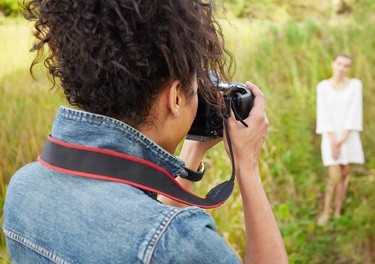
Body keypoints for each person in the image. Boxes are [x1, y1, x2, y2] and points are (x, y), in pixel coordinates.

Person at [2, 1, 288, 263]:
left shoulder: (24, 188)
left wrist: (194, 149)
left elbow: (133, 223)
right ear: (176, 97)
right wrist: (247, 164)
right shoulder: (178, 240)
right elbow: (156, 237)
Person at [315, 54, 365, 226]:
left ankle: (338, 210)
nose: (342, 68)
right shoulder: (323, 87)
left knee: (345, 174)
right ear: (333, 64)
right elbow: (323, 114)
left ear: (349, 69)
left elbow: (354, 112)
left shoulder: (355, 85)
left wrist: (342, 139)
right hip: (330, 137)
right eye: (339, 64)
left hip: (348, 136)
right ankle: (326, 211)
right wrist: (333, 141)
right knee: (334, 177)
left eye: (346, 65)